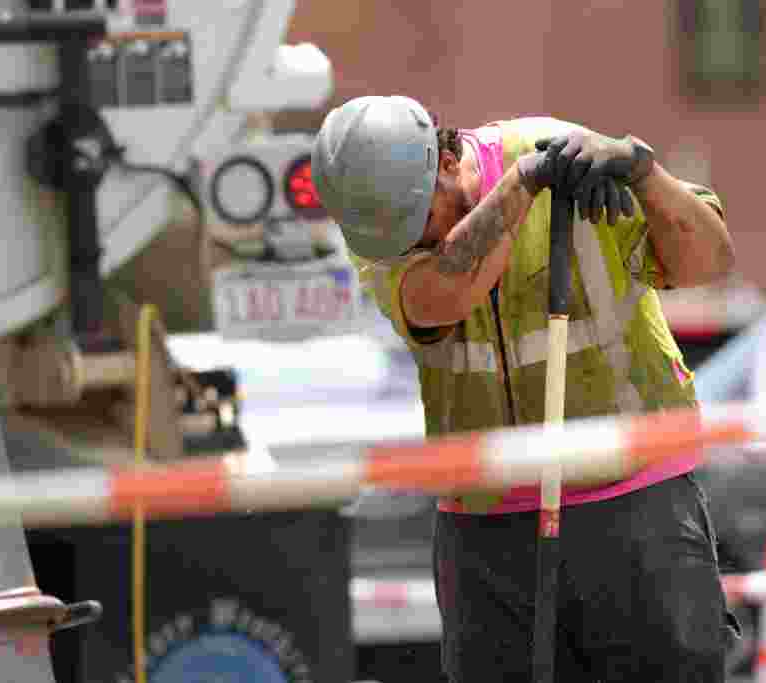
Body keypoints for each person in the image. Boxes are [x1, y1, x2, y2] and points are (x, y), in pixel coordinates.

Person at [312, 95, 740, 682]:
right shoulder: (384, 231)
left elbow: (710, 261)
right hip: (487, 530)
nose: (418, 243)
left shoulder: (561, 146)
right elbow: (441, 295)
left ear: (442, 160)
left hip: (635, 504)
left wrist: (643, 172)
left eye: (422, 223)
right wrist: (523, 187)